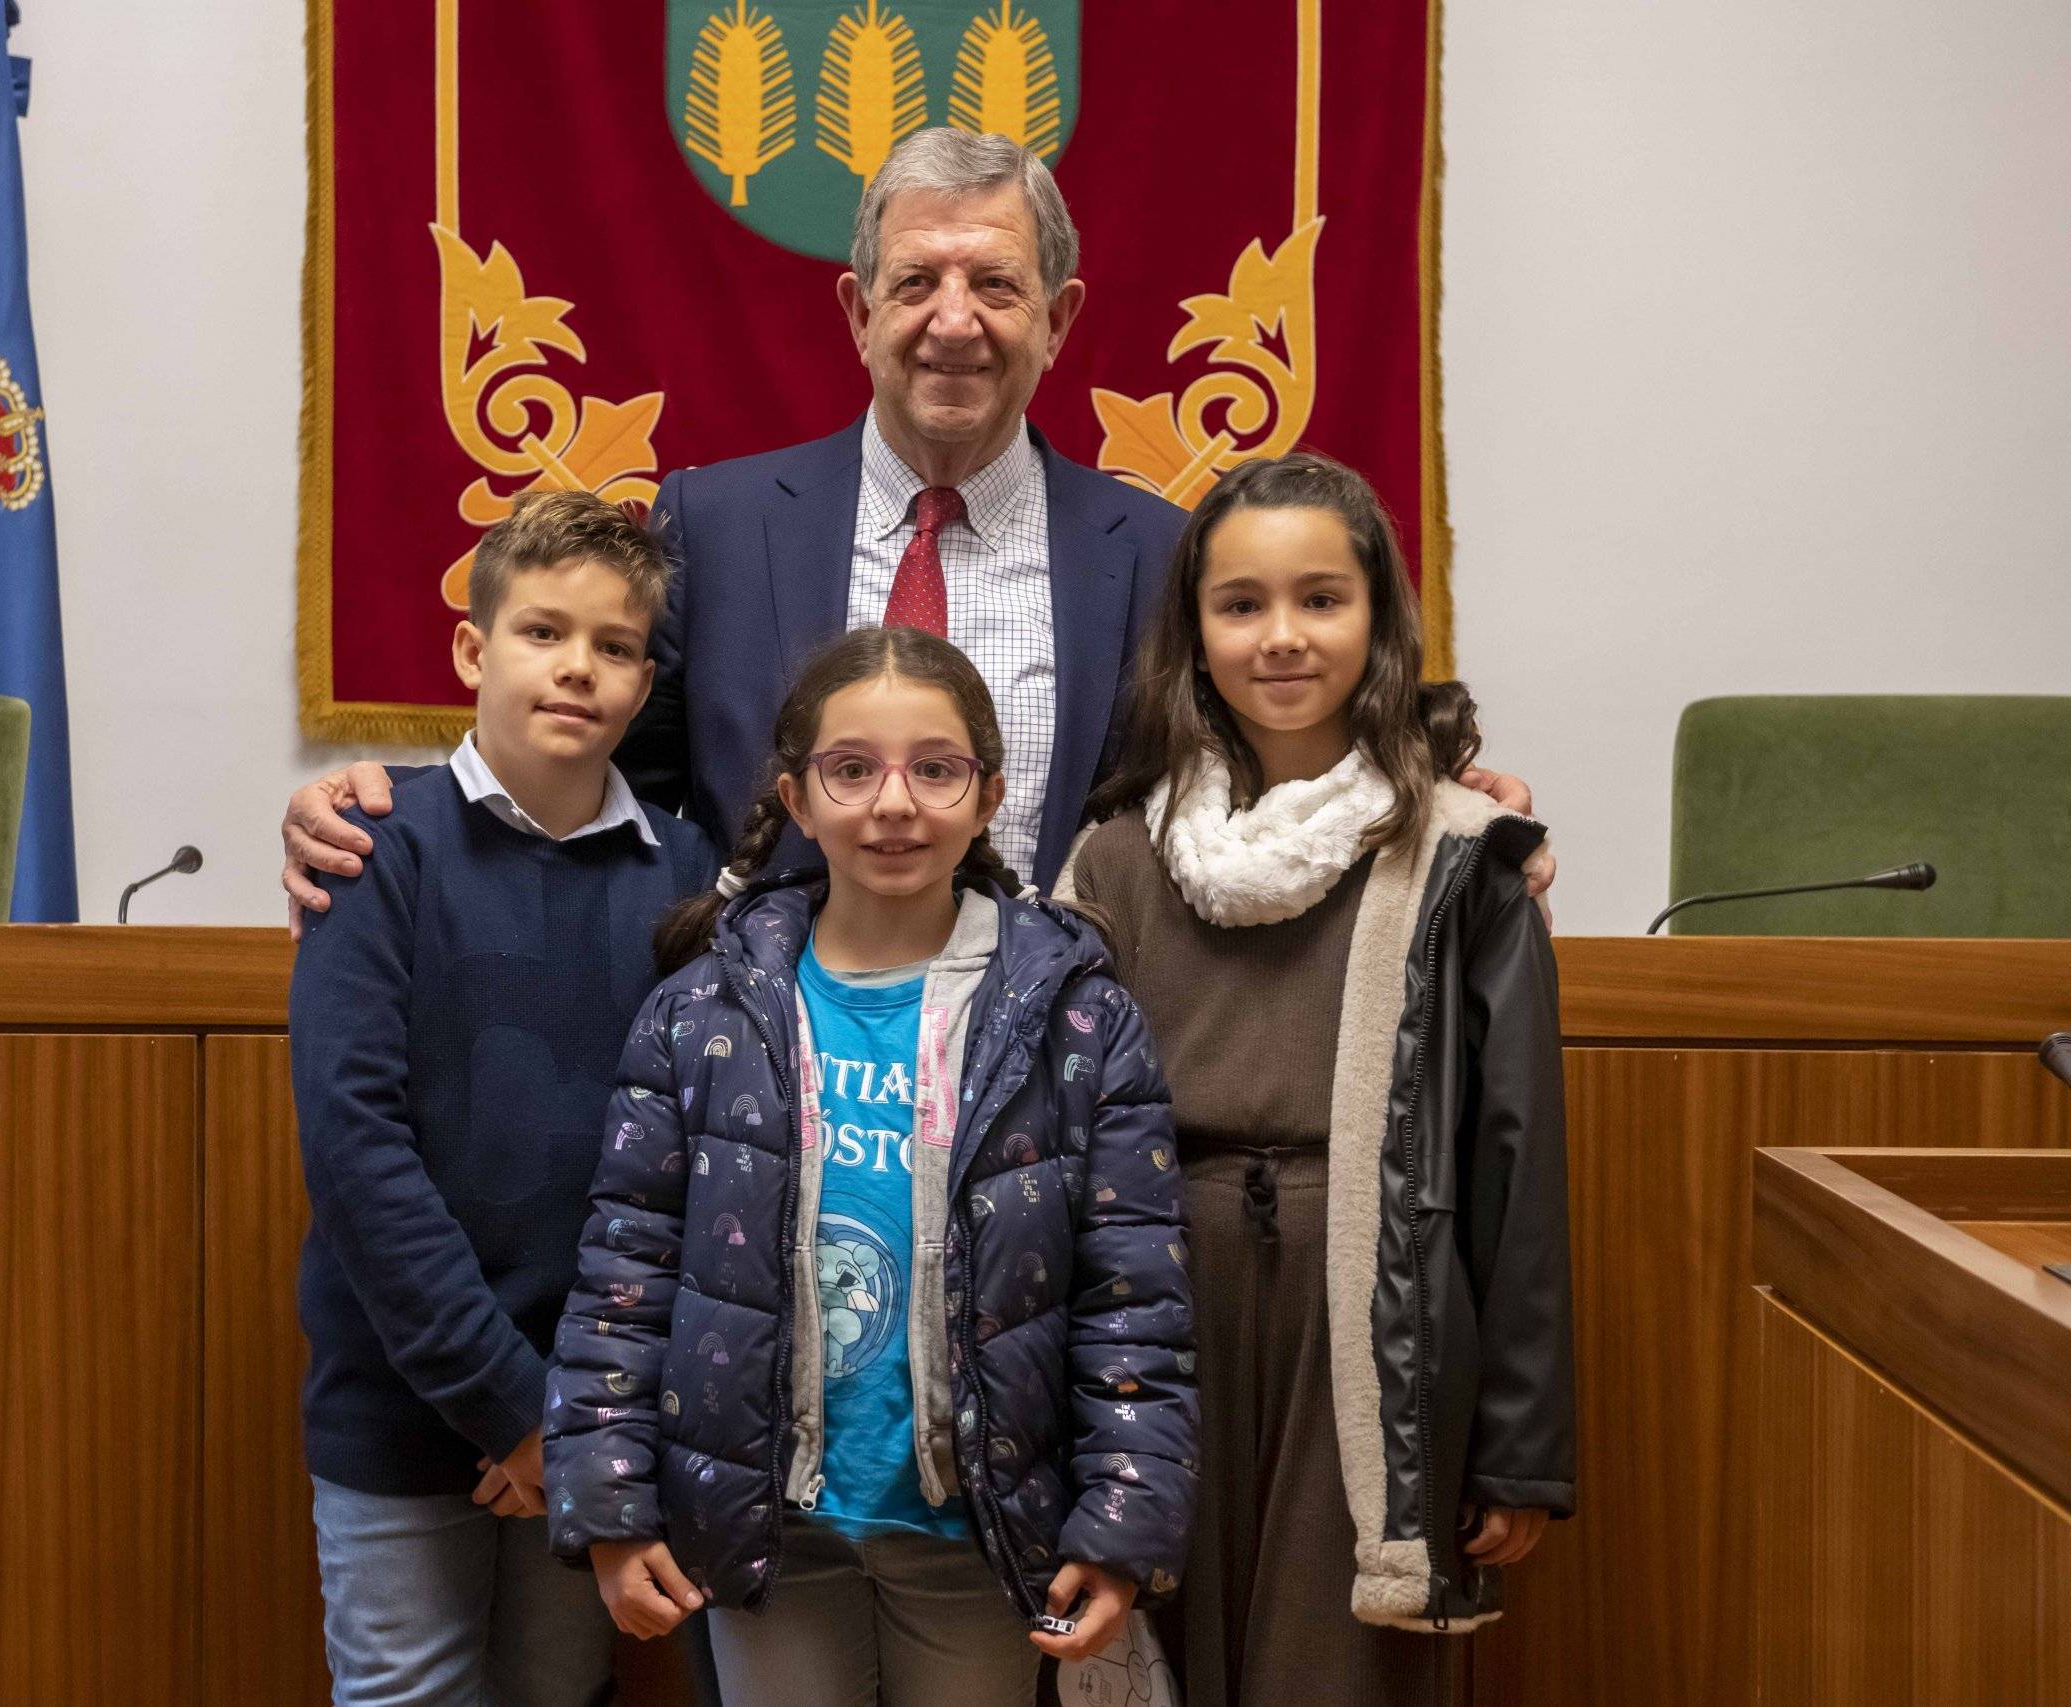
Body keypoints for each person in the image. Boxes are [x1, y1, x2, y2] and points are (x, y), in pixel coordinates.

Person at [276, 129, 1555, 921]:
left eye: (996, 284)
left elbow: (1262, 777)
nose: (955, 318)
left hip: (1060, 1084)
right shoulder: (711, 526)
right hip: (762, 1082)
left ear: (1056, 320)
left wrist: (1432, 804)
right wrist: (398, 812)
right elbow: (598, 787)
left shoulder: (1165, 554)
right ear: (856, 312)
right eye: (917, 283)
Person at [544, 625, 1196, 1707]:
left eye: (934, 769)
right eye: (851, 770)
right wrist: (610, 1504)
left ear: (987, 796)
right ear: (797, 800)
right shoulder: (702, 1013)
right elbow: (624, 1278)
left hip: (979, 1529)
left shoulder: (1079, 1021)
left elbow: (1135, 1303)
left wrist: (1123, 1522)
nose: (893, 804)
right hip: (770, 1527)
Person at [1058, 453, 1574, 1706]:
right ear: (1191, 633)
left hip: (1363, 1317)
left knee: (1328, 1670)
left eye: (1320, 599)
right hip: (1154, 1309)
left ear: (1381, 621)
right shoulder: (1115, 863)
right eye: (1240, 605)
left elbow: (1518, 1163)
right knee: (1149, 1654)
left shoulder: (1465, 860)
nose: (1280, 638)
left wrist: (1518, 1447)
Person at [286, 490, 717, 1706]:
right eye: (543, 633)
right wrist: (507, 1412)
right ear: (475, 649)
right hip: (404, 1412)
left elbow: (695, 1169)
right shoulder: (379, 849)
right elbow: (357, 1150)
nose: (578, 668)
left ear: (644, 682)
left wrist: (573, 1421)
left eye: (616, 646)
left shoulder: (686, 881)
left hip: (598, 1415)